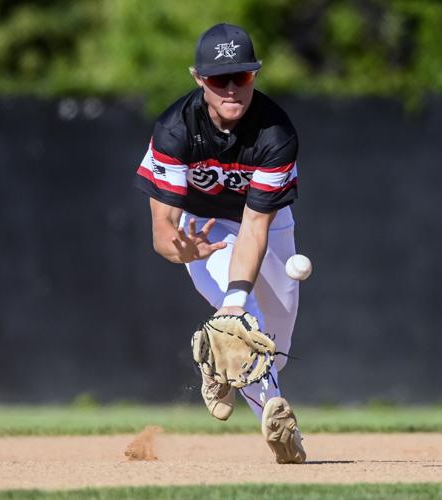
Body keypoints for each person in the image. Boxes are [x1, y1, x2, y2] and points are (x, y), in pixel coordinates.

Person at [133, 23, 305, 464]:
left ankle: (219, 369)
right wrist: (180, 251)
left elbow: (254, 227)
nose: (231, 89)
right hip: (203, 231)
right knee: (247, 323)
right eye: (218, 79)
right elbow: (163, 233)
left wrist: (233, 297)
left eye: (241, 77)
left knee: (276, 351)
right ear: (198, 78)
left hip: (264, 226)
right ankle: (277, 422)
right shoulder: (174, 130)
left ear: (255, 75)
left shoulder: (275, 133)